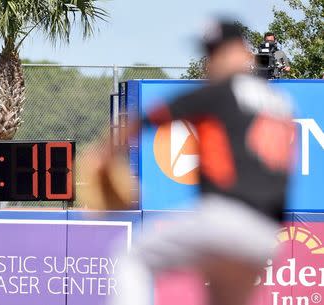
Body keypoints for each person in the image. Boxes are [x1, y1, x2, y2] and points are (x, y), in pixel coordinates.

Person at [89, 20, 296, 305]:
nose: (213, 61)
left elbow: (141, 122)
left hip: (223, 217)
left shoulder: (222, 91)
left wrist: (103, 153)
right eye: (210, 53)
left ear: (243, 53)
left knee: (131, 259)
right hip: (264, 235)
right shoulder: (279, 103)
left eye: (219, 52)